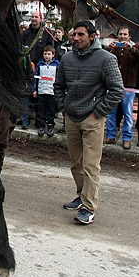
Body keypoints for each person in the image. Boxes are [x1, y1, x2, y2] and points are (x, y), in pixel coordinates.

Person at [53, 20, 124, 225]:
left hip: (92, 119)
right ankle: (81, 195)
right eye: (74, 35)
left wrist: (98, 112)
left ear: (93, 36)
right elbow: (59, 86)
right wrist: (63, 107)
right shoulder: (67, 58)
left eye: (80, 35)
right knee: (76, 163)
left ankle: (89, 207)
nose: (75, 38)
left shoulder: (106, 59)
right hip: (71, 117)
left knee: (91, 165)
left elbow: (117, 90)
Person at [104, 27, 139, 149]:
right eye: (120, 34)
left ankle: (127, 138)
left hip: (129, 85)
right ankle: (111, 135)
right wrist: (109, 49)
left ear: (129, 36)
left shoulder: (136, 47)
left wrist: (132, 49)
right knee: (111, 112)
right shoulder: (114, 47)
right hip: (113, 84)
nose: (122, 36)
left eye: (125, 34)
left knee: (128, 113)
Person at [32, 45, 60, 136]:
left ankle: (50, 126)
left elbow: (59, 79)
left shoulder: (57, 65)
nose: (46, 56)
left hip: (51, 91)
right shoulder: (40, 65)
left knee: (51, 110)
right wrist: (34, 90)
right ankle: (41, 126)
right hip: (41, 91)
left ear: (53, 55)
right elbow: (36, 78)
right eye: (45, 54)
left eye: (49, 54)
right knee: (41, 110)